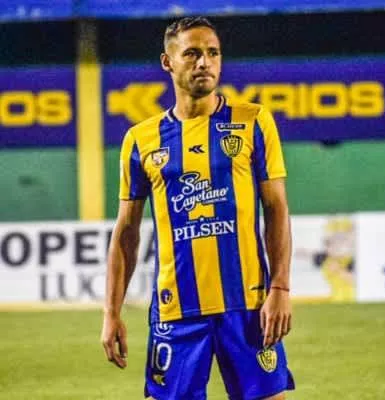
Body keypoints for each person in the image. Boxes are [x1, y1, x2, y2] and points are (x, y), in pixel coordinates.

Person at [101, 16, 295, 400]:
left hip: (248, 305)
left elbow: (276, 209)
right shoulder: (140, 140)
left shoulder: (253, 122)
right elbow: (126, 231)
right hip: (176, 311)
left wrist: (280, 287)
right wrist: (111, 312)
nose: (204, 62)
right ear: (167, 62)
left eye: (212, 53)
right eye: (191, 53)